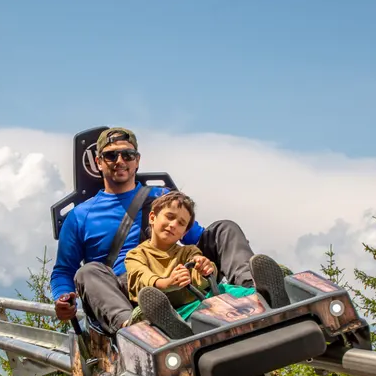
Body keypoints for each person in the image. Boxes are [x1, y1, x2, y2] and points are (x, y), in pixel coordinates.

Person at [49, 127, 286, 335]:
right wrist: (63, 298)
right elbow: (64, 271)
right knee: (88, 272)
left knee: (224, 228)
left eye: (127, 155)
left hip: (176, 273)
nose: (120, 160)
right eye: (111, 155)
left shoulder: (162, 198)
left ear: (137, 160)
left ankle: (256, 291)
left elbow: (196, 237)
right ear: (99, 162)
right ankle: (134, 327)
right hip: (128, 291)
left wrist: (201, 263)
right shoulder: (80, 216)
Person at [124, 190, 271, 338]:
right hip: (173, 312)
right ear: (152, 217)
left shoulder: (189, 251)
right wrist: (167, 283)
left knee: (230, 291)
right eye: (170, 217)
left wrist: (206, 268)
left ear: (184, 233)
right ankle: (176, 328)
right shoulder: (136, 255)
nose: (173, 225)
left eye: (181, 223)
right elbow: (141, 278)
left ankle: (265, 294)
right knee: (160, 315)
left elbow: (199, 270)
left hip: (202, 302)